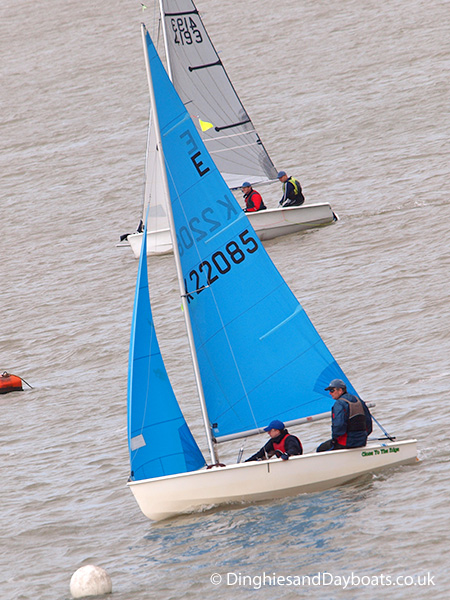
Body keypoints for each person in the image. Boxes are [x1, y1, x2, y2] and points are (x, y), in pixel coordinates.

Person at [316, 379, 373, 452]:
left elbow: (338, 425)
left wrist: (334, 440)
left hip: (346, 443)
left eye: (332, 390)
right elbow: (369, 423)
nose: (330, 393)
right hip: (362, 441)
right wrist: (362, 436)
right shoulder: (359, 400)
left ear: (340, 390)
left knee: (321, 449)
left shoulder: (339, 404)